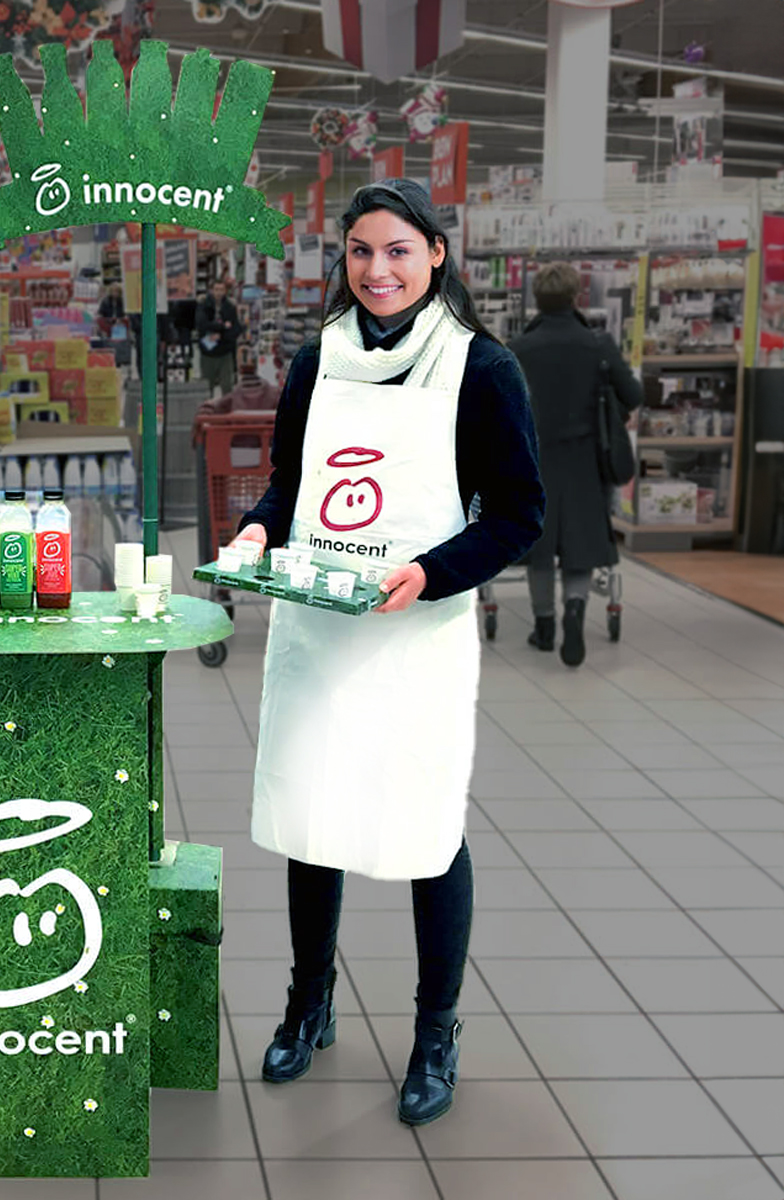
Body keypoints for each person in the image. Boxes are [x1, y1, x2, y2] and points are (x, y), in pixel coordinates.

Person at [232, 180, 544, 1127]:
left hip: (416, 632)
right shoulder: (315, 361)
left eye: (399, 251)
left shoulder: (481, 368)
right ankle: (309, 1000)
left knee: (423, 832)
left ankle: (435, 1029)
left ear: (436, 255)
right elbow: (290, 483)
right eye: (362, 252)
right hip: (320, 624)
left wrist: (430, 571)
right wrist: (254, 531)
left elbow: (521, 515)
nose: (378, 271)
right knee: (311, 818)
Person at [510, 262, 642, 667]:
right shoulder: (597, 344)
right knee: (580, 544)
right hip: (585, 459)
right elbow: (632, 394)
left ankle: (544, 625)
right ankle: (575, 610)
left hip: (533, 461)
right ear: (575, 298)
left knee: (539, 544)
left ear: (537, 301)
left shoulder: (518, 348)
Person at [195, 279, 243, 396]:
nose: (219, 293)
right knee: (207, 388)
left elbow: (236, 329)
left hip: (225, 353)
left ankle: (227, 412)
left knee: (227, 387)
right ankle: (207, 412)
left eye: (221, 290)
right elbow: (201, 324)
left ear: (225, 291)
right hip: (208, 353)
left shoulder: (229, 307)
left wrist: (220, 335)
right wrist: (222, 326)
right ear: (211, 290)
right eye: (216, 289)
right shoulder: (204, 305)